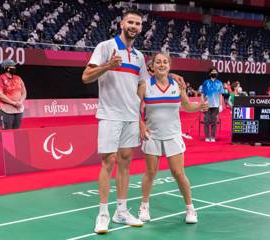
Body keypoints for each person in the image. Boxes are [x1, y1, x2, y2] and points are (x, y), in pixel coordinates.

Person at [82, 9, 184, 234]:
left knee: (125, 162)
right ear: (122, 23)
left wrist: (139, 117)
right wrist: (107, 66)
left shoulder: (138, 56)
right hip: (109, 114)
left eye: (138, 23)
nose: (134, 26)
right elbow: (86, 77)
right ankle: (102, 214)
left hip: (130, 117)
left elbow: (141, 86)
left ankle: (121, 211)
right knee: (108, 162)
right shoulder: (105, 47)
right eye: (130, 22)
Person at [138, 52, 208, 224]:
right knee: (151, 172)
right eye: (158, 62)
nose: (162, 65)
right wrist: (141, 125)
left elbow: (186, 106)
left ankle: (190, 208)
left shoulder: (177, 85)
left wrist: (199, 106)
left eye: (165, 62)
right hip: (152, 136)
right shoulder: (145, 85)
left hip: (173, 135)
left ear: (169, 66)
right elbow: (134, 107)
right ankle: (144, 206)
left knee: (178, 173)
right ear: (152, 66)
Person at [0, 59, 26, 130]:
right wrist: (13, 103)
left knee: (16, 132)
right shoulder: (0, 79)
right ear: (7, 68)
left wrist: (20, 102)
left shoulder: (18, 78)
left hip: (18, 109)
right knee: (7, 133)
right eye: (13, 66)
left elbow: (24, 92)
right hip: (5, 110)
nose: (15, 67)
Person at [201, 67, 224, 142]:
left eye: (215, 72)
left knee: (214, 121)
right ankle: (207, 137)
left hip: (216, 105)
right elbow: (202, 94)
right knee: (207, 121)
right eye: (213, 72)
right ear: (210, 73)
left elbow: (220, 95)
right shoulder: (206, 82)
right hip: (207, 105)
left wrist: (220, 105)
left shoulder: (219, 83)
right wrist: (202, 103)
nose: (214, 73)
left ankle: (213, 137)